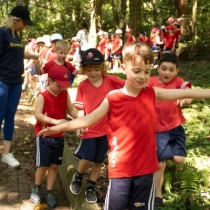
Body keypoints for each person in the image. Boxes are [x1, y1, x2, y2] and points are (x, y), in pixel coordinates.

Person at [37, 41, 210, 210]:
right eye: (136, 71)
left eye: (147, 72)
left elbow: (187, 91)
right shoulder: (113, 98)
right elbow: (88, 120)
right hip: (121, 169)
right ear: (123, 68)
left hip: (146, 169)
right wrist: (59, 127)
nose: (142, 76)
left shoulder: (151, 93)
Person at [69, 48, 125, 204]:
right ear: (84, 70)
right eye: (89, 69)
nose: (93, 72)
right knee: (86, 159)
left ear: (102, 68)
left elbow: (129, 85)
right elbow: (80, 108)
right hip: (89, 128)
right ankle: (78, 176)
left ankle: (91, 187)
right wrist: (80, 124)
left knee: (98, 161)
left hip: (106, 130)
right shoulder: (83, 86)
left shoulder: (111, 81)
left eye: (96, 69)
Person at [147, 53, 193, 208]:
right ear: (158, 68)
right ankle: (157, 195)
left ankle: (165, 153)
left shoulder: (178, 82)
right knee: (160, 164)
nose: (167, 73)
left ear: (177, 71)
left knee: (179, 159)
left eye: (171, 70)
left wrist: (185, 98)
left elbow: (188, 93)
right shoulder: (151, 81)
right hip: (157, 129)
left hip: (175, 127)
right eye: (163, 68)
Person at [30, 65, 78, 209]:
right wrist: (56, 122)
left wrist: (83, 118)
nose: (62, 88)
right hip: (44, 135)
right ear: (50, 81)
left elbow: (70, 110)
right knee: (43, 165)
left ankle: (49, 192)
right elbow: (37, 114)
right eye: (59, 85)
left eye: (65, 86)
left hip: (59, 136)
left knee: (54, 165)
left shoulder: (64, 93)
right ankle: (36, 187)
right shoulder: (42, 95)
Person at [0, 5, 38, 167]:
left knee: (10, 116)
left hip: (16, 82)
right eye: (24, 23)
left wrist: (36, 56)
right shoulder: (2, 33)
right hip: (2, 81)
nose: (25, 26)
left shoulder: (16, 35)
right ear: (16, 20)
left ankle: (6, 153)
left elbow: (17, 53)